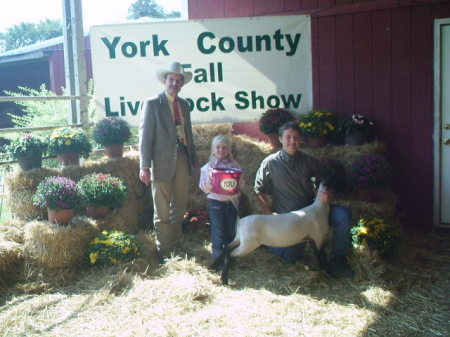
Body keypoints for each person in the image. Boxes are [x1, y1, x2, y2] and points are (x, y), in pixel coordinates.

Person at [254, 121, 353, 278]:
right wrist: (268, 213)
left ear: (300, 140)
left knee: (343, 215)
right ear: (280, 139)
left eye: (296, 137)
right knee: (292, 258)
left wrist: (328, 195)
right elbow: (258, 191)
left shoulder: (311, 162)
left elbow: (327, 184)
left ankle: (338, 259)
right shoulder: (269, 163)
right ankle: (268, 244)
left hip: (315, 212)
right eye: (288, 137)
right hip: (291, 218)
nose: (292, 142)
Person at [139, 61, 199, 261]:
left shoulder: (184, 105)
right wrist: (144, 166)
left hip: (182, 157)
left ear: (182, 83)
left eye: (178, 80)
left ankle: (176, 244)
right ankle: (164, 250)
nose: (174, 83)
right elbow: (145, 137)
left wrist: (194, 160)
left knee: (180, 204)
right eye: (171, 79)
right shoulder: (152, 103)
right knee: (162, 207)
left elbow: (188, 133)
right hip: (160, 161)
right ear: (165, 81)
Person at [199, 134, 244, 269]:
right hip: (216, 203)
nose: (221, 150)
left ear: (229, 149)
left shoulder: (235, 165)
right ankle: (219, 261)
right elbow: (204, 188)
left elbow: (241, 185)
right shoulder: (207, 168)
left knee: (231, 230)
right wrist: (211, 181)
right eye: (217, 147)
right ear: (212, 149)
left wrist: (238, 180)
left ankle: (231, 259)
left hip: (231, 202)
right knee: (218, 231)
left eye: (224, 147)